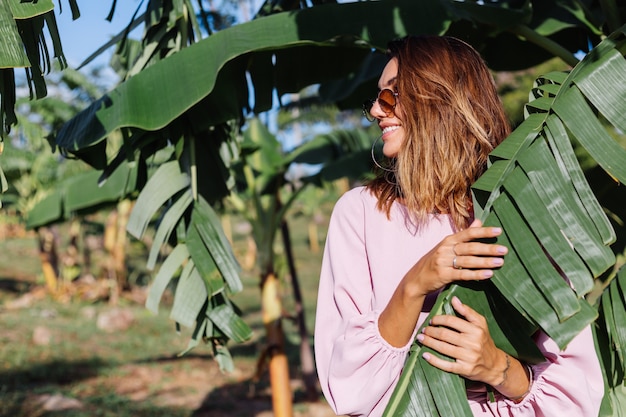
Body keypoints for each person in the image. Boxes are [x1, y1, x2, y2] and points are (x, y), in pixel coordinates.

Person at [314, 35, 604, 417]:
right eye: (377, 98)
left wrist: (497, 367)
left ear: (441, 99)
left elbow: (576, 392)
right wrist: (415, 282)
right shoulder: (361, 214)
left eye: (391, 95)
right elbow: (347, 387)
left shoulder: (517, 212)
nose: (376, 110)